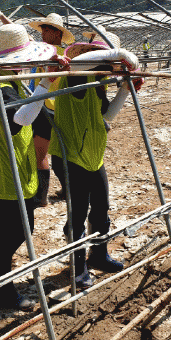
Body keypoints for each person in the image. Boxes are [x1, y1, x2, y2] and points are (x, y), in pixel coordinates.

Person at [0, 23, 67, 310]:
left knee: (12, 232)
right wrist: (46, 82)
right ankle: (2, 289)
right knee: (15, 233)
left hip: (6, 168)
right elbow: (21, 119)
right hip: (7, 172)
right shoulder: (3, 87)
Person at [49, 30, 142, 288]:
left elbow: (106, 118)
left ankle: (99, 255)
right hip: (70, 156)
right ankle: (77, 266)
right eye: (109, 63)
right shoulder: (76, 77)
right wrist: (119, 54)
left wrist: (125, 90)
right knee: (78, 212)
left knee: (101, 206)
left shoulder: (97, 84)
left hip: (92, 155)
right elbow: (77, 64)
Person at [0, 7, 75, 207]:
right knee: (56, 154)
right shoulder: (52, 52)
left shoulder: (52, 53)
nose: (42, 33)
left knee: (40, 154)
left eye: (47, 30)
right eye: (42, 29)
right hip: (52, 108)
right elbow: (21, 39)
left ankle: (41, 197)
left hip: (47, 109)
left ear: (57, 33)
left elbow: (23, 40)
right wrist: (1, 17)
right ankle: (64, 191)